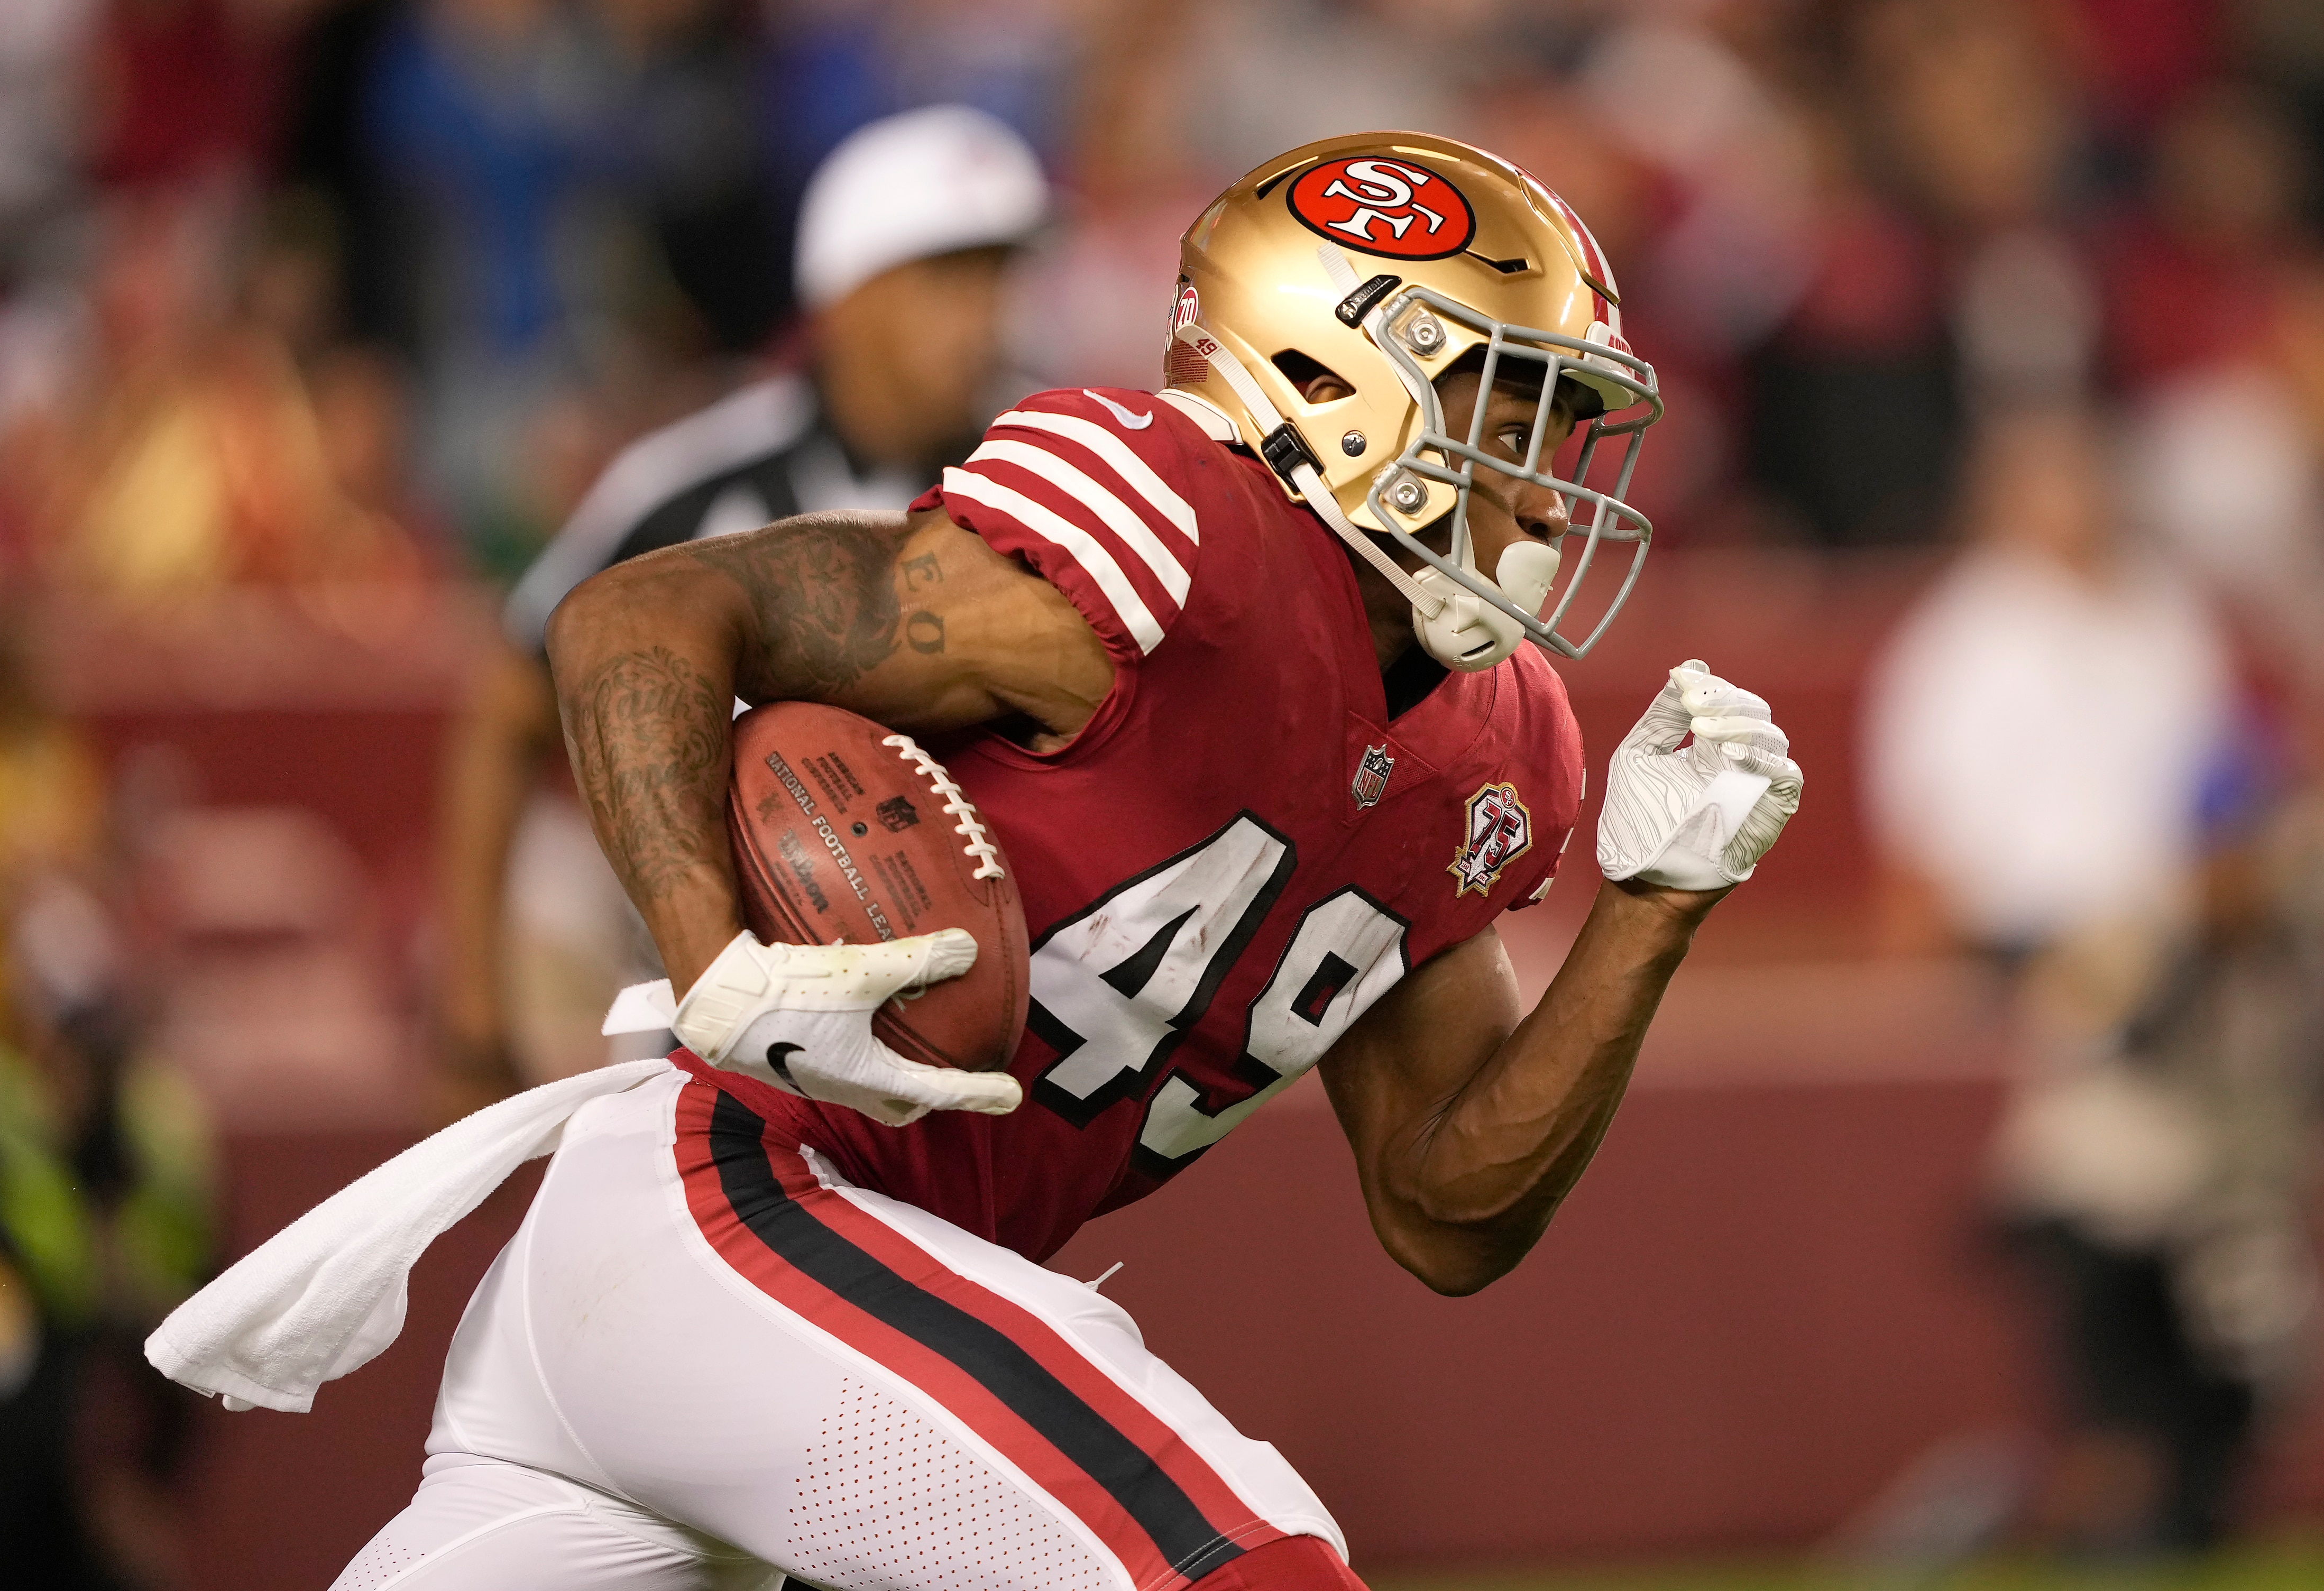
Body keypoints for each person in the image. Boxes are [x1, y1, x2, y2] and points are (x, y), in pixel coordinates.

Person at [336, 132, 1805, 1588]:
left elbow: (1441, 1210)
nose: (1551, 483)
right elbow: (633, 618)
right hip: (732, 1202)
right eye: (1516, 410)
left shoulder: (1492, 748)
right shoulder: (1177, 530)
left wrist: (1650, 914)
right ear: (1341, 378)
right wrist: (709, 952)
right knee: (1249, 1565)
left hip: (805, 1299)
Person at [436, 104, 1049, 1106]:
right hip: (719, 1029)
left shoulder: (1044, 486)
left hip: (981, 1037)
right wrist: (469, 1014)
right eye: (946, 277)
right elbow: (507, 707)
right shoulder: (685, 486)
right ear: (843, 298)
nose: (982, 316)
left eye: (997, 277)